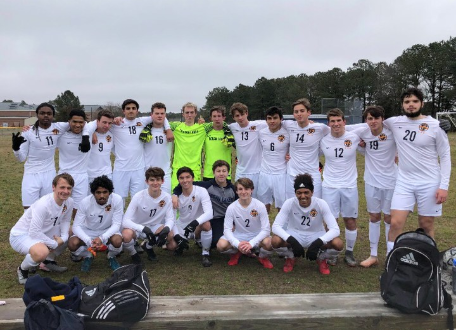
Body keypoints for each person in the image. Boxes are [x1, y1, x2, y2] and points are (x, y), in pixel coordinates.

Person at [385, 88, 451, 253]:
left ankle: (430, 260)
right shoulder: (394, 122)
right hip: (404, 182)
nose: (411, 105)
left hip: (429, 182)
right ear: (402, 105)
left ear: (422, 103)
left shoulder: (436, 126)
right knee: (395, 223)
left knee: (426, 224)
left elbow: (445, 157)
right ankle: (390, 259)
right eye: (407, 102)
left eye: (415, 101)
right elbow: (371, 124)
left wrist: (444, 186)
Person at [12, 103, 90, 208]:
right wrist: (16, 149)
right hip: (31, 174)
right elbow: (21, 158)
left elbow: (82, 124)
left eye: (49, 113)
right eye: (42, 113)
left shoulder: (59, 127)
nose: (45, 116)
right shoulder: (28, 132)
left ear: (53, 115)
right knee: (29, 208)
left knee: (48, 208)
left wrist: (87, 135)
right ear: (37, 115)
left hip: (49, 174)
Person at [351, 106, 397, 268]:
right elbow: (342, 129)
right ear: (366, 120)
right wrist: (360, 146)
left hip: (392, 182)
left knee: (389, 219)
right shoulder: (362, 131)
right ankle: (373, 255)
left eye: (376, 118)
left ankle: (390, 256)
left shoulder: (392, 131)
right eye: (370, 118)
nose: (373, 121)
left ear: (382, 119)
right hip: (371, 182)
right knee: (374, 217)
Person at [271, 174, 343, 274]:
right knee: (275, 240)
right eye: (299, 193)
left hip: (316, 234)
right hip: (295, 234)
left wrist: (319, 242)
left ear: (312, 192)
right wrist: (291, 240)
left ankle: (321, 258)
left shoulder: (321, 203)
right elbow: (275, 226)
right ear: (295, 193)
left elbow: (335, 229)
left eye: (306, 192)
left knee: (338, 243)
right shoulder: (289, 203)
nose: (303, 196)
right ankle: (291, 257)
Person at [10, 173, 74, 284]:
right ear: (53, 187)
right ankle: (22, 270)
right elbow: (34, 232)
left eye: (69, 188)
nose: (66, 191)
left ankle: (47, 261)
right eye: (62, 187)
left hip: (42, 232)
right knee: (41, 252)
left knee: (70, 231)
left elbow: (65, 221)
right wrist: (53, 244)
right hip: (21, 235)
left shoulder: (69, 202)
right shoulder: (43, 204)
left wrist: (63, 238)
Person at [320, 108, 362, 267]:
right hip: (329, 185)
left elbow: (368, 148)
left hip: (349, 186)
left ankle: (349, 252)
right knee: (331, 221)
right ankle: (332, 252)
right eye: (333, 121)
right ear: (328, 123)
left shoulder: (354, 137)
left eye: (339, 120)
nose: (336, 124)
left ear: (345, 122)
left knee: (350, 220)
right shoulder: (323, 139)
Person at [109, 99, 172, 201]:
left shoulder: (142, 121)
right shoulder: (116, 124)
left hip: (139, 169)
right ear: (123, 111)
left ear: (137, 111)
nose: (131, 110)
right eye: (128, 108)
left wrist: (168, 129)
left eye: (133, 108)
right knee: (119, 199)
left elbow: (160, 117)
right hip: (120, 169)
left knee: (138, 199)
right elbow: (98, 125)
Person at [173, 160, 237, 253]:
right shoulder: (207, 185)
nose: (221, 174)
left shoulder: (233, 189)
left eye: (224, 171)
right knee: (213, 243)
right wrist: (175, 194)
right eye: (218, 171)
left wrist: (234, 222)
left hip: (227, 218)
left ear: (228, 172)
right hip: (213, 219)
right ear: (213, 172)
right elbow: (185, 183)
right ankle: (199, 240)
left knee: (224, 240)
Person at [122, 167, 177, 264]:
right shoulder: (138, 196)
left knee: (170, 234)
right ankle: (133, 253)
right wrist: (143, 229)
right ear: (146, 181)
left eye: (158, 179)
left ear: (163, 181)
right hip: (137, 227)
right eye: (152, 180)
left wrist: (166, 229)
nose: (155, 183)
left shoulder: (166, 197)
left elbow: (170, 218)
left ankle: (148, 246)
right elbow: (125, 220)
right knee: (126, 235)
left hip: (154, 227)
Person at [68, 175, 123, 272]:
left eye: (105, 192)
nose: (102, 196)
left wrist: (102, 238)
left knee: (117, 241)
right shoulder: (85, 202)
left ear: (110, 192)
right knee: (72, 244)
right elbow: (76, 226)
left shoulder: (117, 199)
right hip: (89, 231)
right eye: (98, 192)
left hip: (107, 229)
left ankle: (111, 256)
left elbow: (117, 224)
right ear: (93, 193)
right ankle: (88, 255)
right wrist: (89, 241)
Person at [217, 178, 274, 269]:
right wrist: (237, 244)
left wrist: (251, 243)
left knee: (269, 243)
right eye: (240, 189)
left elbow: (266, 230)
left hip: (256, 235)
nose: (243, 192)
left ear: (252, 190)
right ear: (236, 191)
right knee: (221, 245)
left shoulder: (260, 205)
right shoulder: (231, 207)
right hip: (239, 236)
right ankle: (236, 252)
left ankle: (262, 256)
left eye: (246, 189)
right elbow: (227, 230)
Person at [285, 98, 330, 199]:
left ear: (309, 112)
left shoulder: (320, 128)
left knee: (314, 207)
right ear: (293, 114)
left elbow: (338, 132)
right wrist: (285, 152)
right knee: (293, 207)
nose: (299, 114)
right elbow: (271, 126)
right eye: (296, 112)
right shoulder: (288, 125)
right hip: (292, 174)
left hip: (313, 175)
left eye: (302, 111)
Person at [172, 167, 214, 267]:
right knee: (171, 246)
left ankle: (205, 253)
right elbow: (171, 219)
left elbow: (209, 213)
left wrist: (195, 222)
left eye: (188, 177)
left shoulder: (202, 191)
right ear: (178, 180)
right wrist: (177, 236)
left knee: (207, 224)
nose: (185, 180)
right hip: (182, 226)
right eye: (181, 178)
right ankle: (181, 244)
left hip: (197, 226)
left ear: (193, 178)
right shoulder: (175, 197)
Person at [168, 102, 213, 189]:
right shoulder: (176, 126)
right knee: (175, 196)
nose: (189, 115)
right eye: (187, 112)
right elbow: (160, 121)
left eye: (192, 112)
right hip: (178, 167)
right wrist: (168, 130)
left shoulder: (203, 128)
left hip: (195, 169)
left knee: (194, 197)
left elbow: (220, 123)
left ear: (196, 114)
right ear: (183, 114)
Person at [228, 103, 268, 198]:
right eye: (237, 115)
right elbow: (218, 125)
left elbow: (278, 122)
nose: (240, 117)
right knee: (241, 198)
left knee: (257, 199)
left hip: (257, 170)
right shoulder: (232, 127)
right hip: (241, 171)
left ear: (247, 113)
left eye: (242, 114)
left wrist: (309, 123)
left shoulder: (259, 125)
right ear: (233, 117)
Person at [57, 109, 92, 216]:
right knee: (60, 207)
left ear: (85, 123)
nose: (77, 125)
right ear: (69, 122)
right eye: (74, 122)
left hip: (81, 177)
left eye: (81, 122)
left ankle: (75, 231)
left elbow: (98, 122)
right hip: (64, 176)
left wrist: (86, 135)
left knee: (78, 209)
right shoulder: (61, 135)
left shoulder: (90, 132)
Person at [257, 106, 290, 213]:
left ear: (281, 119)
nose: (272, 121)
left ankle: (282, 228)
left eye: (275, 118)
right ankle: (264, 228)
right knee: (263, 205)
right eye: (269, 118)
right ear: (266, 120)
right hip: (264, 173)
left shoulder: (287, 133)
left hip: (281, 174)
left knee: (282, 206)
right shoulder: (261, 132)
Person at [140, 102, 173, 194]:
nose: (160, 116)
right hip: (148, 172)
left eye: (162, 113)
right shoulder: (144, 131)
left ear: (165, 115)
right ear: (151, 115)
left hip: (165, 173)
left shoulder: (170, 131)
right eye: (157, 113)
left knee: (165, 201)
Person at [202, 106, 234, 181]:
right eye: (214, 116)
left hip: (225, 173)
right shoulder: (205, 132)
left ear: (224, 117)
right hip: (209, 173)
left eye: (219, 116)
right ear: (211, 118)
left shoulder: (229, 132)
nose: (217, 119)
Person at [87, 110, 115, 183]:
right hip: (89, 175)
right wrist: (92, 132)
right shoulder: (87, 133)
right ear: (97, 121)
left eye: (109, 123)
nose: (107, 126)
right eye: (104, 122)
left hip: (106, 174)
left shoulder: (111, 135)